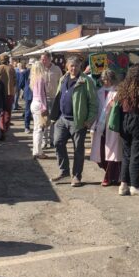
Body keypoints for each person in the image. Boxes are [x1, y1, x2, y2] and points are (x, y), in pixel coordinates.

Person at [50, 56, 97, 188]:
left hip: (78, 121)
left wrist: (89, 120)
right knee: (57, 142)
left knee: (78, 150)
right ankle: (64, 171)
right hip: (62, 119)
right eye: (71, 66)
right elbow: (59, 97)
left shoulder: (86, 81)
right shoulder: (63, 79)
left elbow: (93, 103)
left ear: (80, 67)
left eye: (76, 66)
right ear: (67, 66)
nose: (73, 68)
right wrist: (55, 116)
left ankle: (76, 176)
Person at [118, 65, 139, 196]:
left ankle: (123, 185)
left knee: (126, 155)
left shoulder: (123, 88)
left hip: (124, 121)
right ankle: (135, 186)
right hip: (137, 121)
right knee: (137, 155)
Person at [89, 69, 123, 187]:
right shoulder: (99, 92)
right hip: (100, 126)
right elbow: (96, 109)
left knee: (112, 154)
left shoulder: (118, 92)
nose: (106, 81)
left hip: (112, 127)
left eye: (108, 79)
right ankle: (114, 176)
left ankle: (108, 177)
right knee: (102, 154)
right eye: (104, 79)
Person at [40, 52, 63, 149]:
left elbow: (61, 82)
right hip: (43, 99)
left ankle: (52, 140)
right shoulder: (40, 69)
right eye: (41, 59)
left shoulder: (57, 69)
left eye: (44, 59)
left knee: (53, 120)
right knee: (45, 121)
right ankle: (44, 141)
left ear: (50, 59)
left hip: (54, 98)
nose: (42, 61)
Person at [30, 61, 49, 159]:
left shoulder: (33, 78)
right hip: (39, 103)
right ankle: (38, 152)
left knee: (36, 129)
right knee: (40, 129)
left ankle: (36, 150)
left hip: (33, 103)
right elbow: (42, 95)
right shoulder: (41, 78)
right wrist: (44, 106)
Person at [0, 54, 16, 140]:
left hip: (0, 93)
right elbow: (15, 81)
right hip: (9, 93)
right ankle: (5, 130)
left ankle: (2, 130)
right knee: (8, 113)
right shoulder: (11, 68)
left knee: (1, 113)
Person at [21, 62, 33, 134]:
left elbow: (21, 84)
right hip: (31, 93)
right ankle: (27, 127)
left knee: (28, 111)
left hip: (28, 93)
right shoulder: (26, 72)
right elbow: (21, 83)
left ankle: (27, 127)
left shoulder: (25, 72)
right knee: (28, 111)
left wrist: (25, 89)